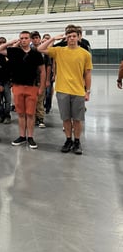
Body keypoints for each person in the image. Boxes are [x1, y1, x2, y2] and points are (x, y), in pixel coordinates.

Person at [37, 26, 93, 155]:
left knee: (77, 119)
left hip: (78, 91)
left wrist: (88, 91)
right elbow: (40, 48)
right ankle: (68, 140)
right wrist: (53, 38)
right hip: (62, 90)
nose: (71, 38)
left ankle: (77, 141)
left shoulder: (85, 54)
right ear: (66, 38)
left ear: (79, 37)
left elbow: (88, 73)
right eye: (69, 36)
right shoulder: (59, 51)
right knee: (66, 118)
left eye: (74, 36)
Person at [0, 31, 45, 149]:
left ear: (30, 40)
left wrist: (42, 87)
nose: (23, 40)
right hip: (17, 86)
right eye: (21, 38)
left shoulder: (36, 53)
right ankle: (22, 136)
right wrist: (11, 42)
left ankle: (31, 137)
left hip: (32, 87)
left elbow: (43, 71)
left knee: (30, 114)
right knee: (21, 114)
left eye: (26, 38)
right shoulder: (14, 52)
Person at [30, 31, 52, 128]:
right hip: (30, 80)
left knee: (40, 100)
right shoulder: (28, 50)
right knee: (31, 100)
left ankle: (40, 119)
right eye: (33, 38)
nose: (35, 40)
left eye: (37, 38)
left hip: (41, 80)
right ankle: (33, 118)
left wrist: (47, 80)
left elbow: (48, 66)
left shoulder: (44, 50)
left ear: (39, 38)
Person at [0, 37, 12, 125]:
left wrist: (12, 80)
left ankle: (7, 116)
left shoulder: (9, 54)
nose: (2, 43)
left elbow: (13, 68)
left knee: (8, 100)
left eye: (3, 42)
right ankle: (1, 115)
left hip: (7, 81)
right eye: (0, 42)